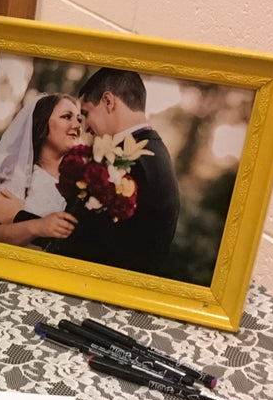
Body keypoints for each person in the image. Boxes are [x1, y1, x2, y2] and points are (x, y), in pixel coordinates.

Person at [48, 68, 180, 276]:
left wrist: (19, 218)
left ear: (108, 101)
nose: (86, 129)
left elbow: (82, 242)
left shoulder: (132, 161)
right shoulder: (153, 150)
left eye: (86, 114)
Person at [0, 94, 81, 247]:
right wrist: (38, 225)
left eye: (79, 119)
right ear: (42, 123)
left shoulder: (80, 182)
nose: (77, 125)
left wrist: (21, 215)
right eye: (67, 117)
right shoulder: (12, 172)